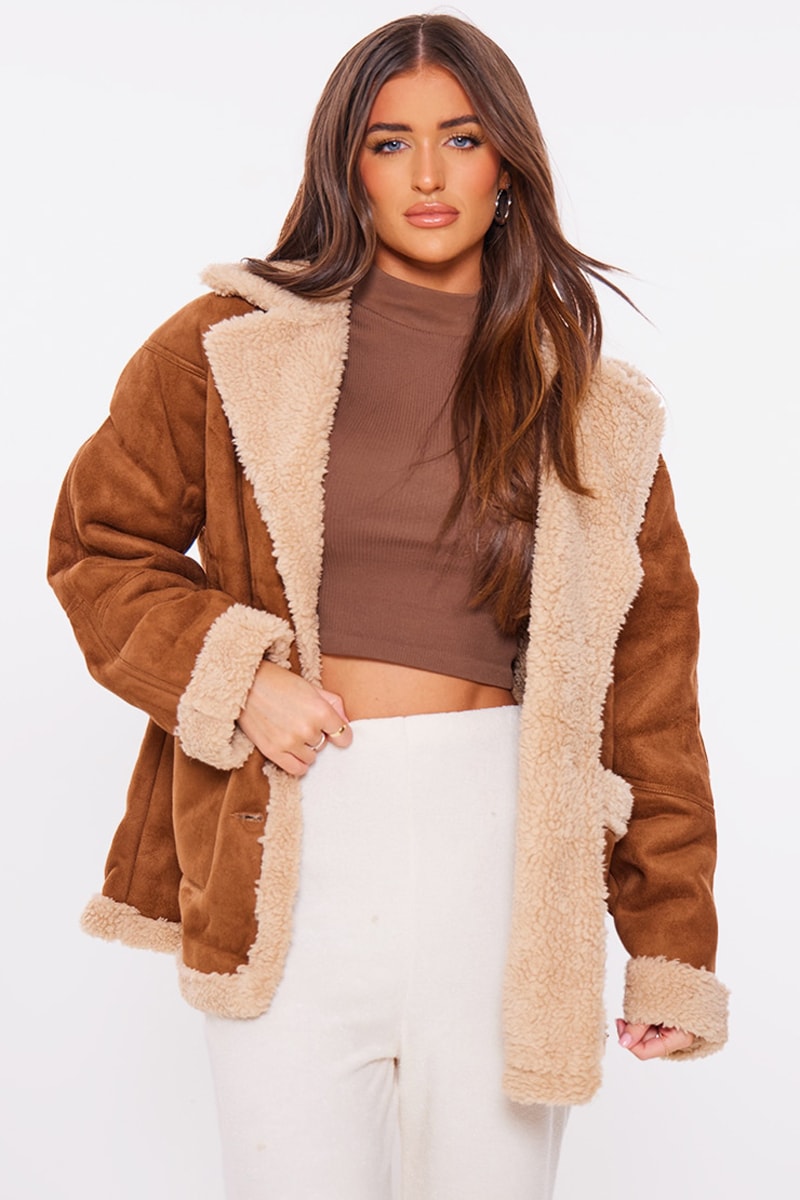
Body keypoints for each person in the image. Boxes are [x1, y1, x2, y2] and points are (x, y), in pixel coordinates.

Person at [48, 12, 728, 1200]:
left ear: (505, 163)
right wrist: (240, 680)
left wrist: (668, 942)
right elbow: (97, 546)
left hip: (505, 866)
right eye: (387, 141)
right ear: (344, 165)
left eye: (459, 139)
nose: (425, 175)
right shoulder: (227, 347)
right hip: (290, 849)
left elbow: (647, 686)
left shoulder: (592, 409)